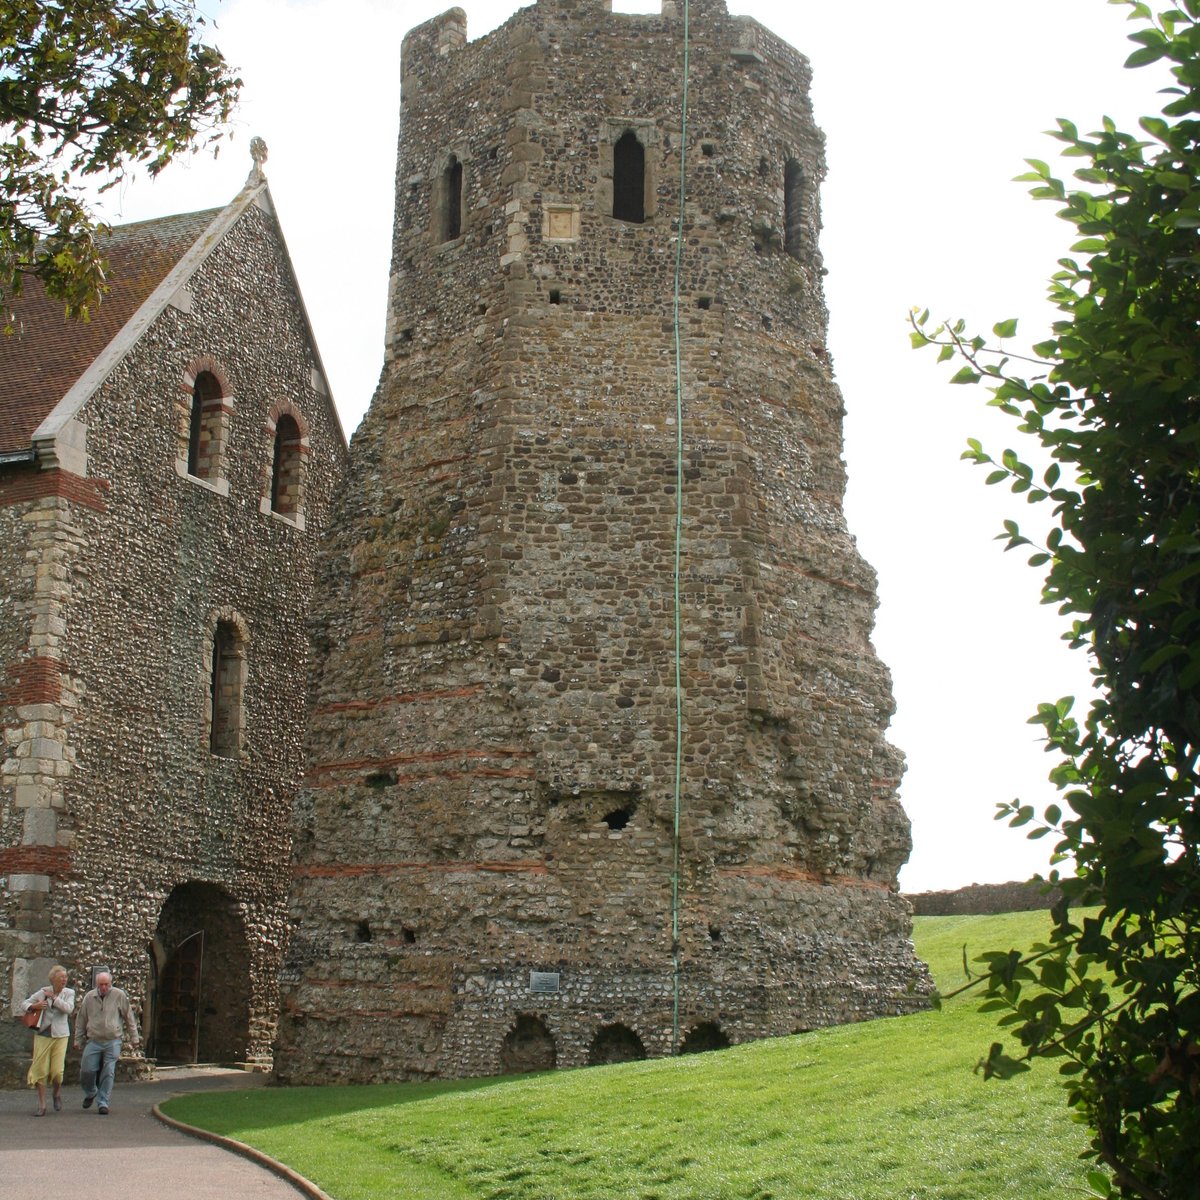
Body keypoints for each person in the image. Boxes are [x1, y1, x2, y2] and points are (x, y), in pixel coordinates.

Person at [73, 969, 140, 1114]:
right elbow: (81, 1019)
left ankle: (103, 1102)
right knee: (87, 1070)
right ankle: (91, 1092)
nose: (104, 987)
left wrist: (134, 1037)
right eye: (101, 984)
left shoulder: (119, 995)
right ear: (97, 985)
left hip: (112, 1040)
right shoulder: (89, 997)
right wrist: (78, 1038)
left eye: (107, 984)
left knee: (108, 1071)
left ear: (111, 983)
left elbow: (129, 1017)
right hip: (94, 1039)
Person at [19, 965, 75, 1116]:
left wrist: (54, 998)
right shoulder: (43, 991)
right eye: (61, 977)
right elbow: (24, 1004)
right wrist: (34, 1006)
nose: (64, 980)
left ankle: (56, 1093)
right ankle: (42, 1104)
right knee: (41, 1069)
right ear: (53, 979)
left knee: (57, 1071)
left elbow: (68, 1009)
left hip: (61, 1035)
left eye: (65, 977)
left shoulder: (69, 993)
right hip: (43, 1034)